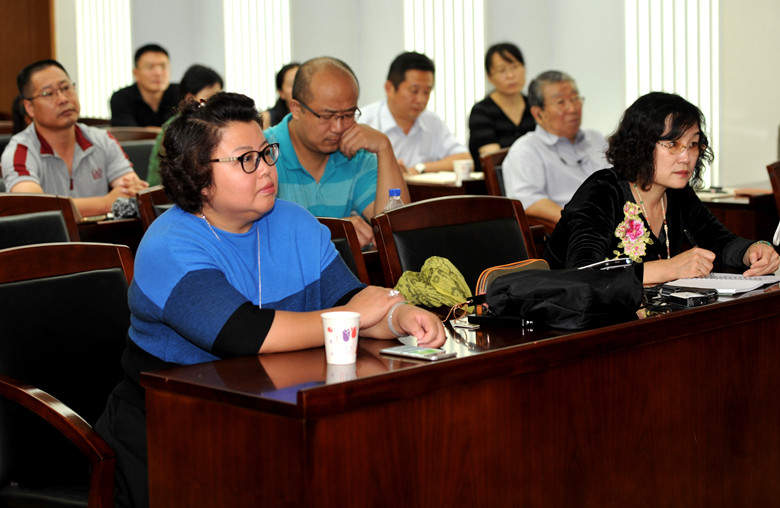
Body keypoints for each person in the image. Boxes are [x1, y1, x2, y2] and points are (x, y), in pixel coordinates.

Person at [95, 92, 446, 508]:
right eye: (247, 159)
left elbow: (350, 297)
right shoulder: (169, 244)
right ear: (198, 176)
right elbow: (243, 335)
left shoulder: (293, 221)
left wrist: (399, 317)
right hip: (172, 425)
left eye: (266, 153)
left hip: (276, 410)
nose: (265, 168)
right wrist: (351, 313)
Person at [544, 91, 779, 284]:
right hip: (573, 321)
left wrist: (754, 250)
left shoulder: (677, 193)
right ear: (641, 145)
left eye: (693, 144)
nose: (686, 157)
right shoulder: (602, 191)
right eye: (673, 144)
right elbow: (584, 273)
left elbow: (719, 241)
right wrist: (671, 268)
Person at [264, 56, 409, 248]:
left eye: (348, 115)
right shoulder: (264, 153)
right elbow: (252, 234)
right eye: (327, 116)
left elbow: (396, 230)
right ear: (296, 109)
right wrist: (332, 231)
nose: (338, 128)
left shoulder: (354, 153)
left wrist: (385, 148)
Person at [2, 59, 148, 216]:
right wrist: (105, 203)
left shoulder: (102, 140)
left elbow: (132, 191)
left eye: (66, 88)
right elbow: (32, 207)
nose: (63, 99)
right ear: (29, 107)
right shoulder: (20, 151)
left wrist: (128, 194)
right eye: (48, 93)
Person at [502, 70, 608, 225]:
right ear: (538, 113)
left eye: (575, 99)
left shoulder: (596, 138)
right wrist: (578, 221)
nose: (573, 109)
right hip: (577, 230)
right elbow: (529, 201)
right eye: (561, 102)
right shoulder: (526, 150)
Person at [360, 51, 471, 175]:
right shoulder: (363, 122)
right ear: (389, 88)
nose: (421, 100)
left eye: (426, 92)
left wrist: (419, 168)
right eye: (414, 91)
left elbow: (465, 160)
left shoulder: (432, 121)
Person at [146, 64, 223, 186]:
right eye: (209, 98)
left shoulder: (216, 124)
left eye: (218, 98)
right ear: (190, 98)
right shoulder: (177, 127)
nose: (214, 104)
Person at [468, 42, 536, 172]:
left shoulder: (535, 107)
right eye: (502, 70)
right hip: (496, 181)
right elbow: (493, 159)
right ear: (489, 77)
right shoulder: (481, 111)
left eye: (515, 67)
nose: (510, 75)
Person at [110, 44, 180, 127]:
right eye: (150, 67)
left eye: (163, 66)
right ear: (136, 73)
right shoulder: (121, 98)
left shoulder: (182, 93)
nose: (158, 73)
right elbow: (127, 132)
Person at [262, 62, 299, 127]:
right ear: (281, 92)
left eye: (302, 83)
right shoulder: (267, 118)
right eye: (292, 84)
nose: (298, 88)